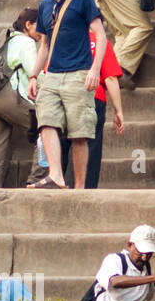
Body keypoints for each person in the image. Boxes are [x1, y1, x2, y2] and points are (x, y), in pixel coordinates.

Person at [26, 0, 108, 191]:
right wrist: (34, 75)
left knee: (79, 132)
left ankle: (79, 187)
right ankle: (56, 175)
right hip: (51, 72)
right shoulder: (44, 7)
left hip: (78, 71)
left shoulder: (82, 0)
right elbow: (44, 44)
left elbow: (101, 36)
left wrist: (94, 69)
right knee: (46, 121)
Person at [42, 28, 125, 190]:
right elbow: (110, 78)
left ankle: (59, 186)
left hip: (60, 97)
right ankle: (81, 191)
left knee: (61, 147)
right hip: (91, 97)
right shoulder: (100, 42)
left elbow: (47, 73)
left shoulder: (60, 41)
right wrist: (118, 110)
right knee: (88, 147)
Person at [0, 6, 40, 188]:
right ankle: (37, 181)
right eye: (40, 25)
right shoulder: (26, 42)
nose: (43, 31)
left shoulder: (3, 40)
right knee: (46, 131)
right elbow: (33, 73)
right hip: (9, 98)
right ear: (28, 25)